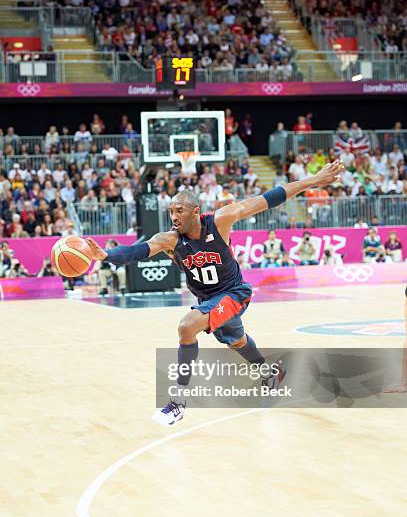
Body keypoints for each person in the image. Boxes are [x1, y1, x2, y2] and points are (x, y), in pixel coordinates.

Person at [86, 160, 344, 425]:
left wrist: (313, 181)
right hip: (210, 301)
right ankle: (270, 372)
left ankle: (177, 402)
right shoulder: (170, 240)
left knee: (187, 326)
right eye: (171, 211)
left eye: (180, 211)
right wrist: (107, 255)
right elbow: (137, 251)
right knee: (237, 341)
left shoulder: (221, 220)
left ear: (195, 212)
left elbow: (269, 198)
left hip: (235, 293)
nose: (174, 217)